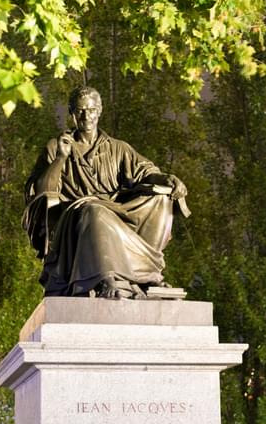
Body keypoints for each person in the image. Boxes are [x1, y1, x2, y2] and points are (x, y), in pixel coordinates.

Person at [23, 86, 188, 298]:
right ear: (72, 113)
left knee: (161, 199)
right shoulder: (57, 146)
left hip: (117, 208)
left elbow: (146, 171)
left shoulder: (118, 148)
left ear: (99, 111)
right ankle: (104, 277)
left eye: (91, 110)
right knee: (94, 210)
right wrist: (61, 158)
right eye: (80, 110)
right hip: (77, 213)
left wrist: (168, 179)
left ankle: (147, 274)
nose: (86, 116)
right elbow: (42, 190)